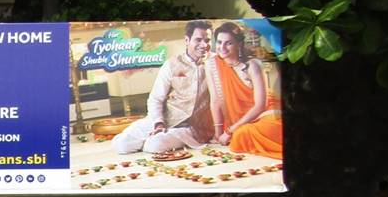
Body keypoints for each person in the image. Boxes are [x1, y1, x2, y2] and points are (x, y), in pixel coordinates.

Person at [114, 21, 213, 155]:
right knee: (121, 145)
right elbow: (156, 99)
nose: (204, 45)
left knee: (154, 146)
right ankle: (154, 135)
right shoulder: (172, 64)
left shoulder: (215, 63)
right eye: (198, 40)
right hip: (166, 118)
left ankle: (157, 139)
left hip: (191, 126)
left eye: (207, 40)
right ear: (187, 40)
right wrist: (158, 123)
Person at [207, 21, 283, 158]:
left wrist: (230, 131)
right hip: (237, 121)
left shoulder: (251, 65)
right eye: (219, 42)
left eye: (228, 43)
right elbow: (215, 100)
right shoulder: (212, 64)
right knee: (241, 135)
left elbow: (260, 106)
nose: (222, 47)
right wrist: (218, 133)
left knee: (248, 132)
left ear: (239, 44)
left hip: (265, 113)